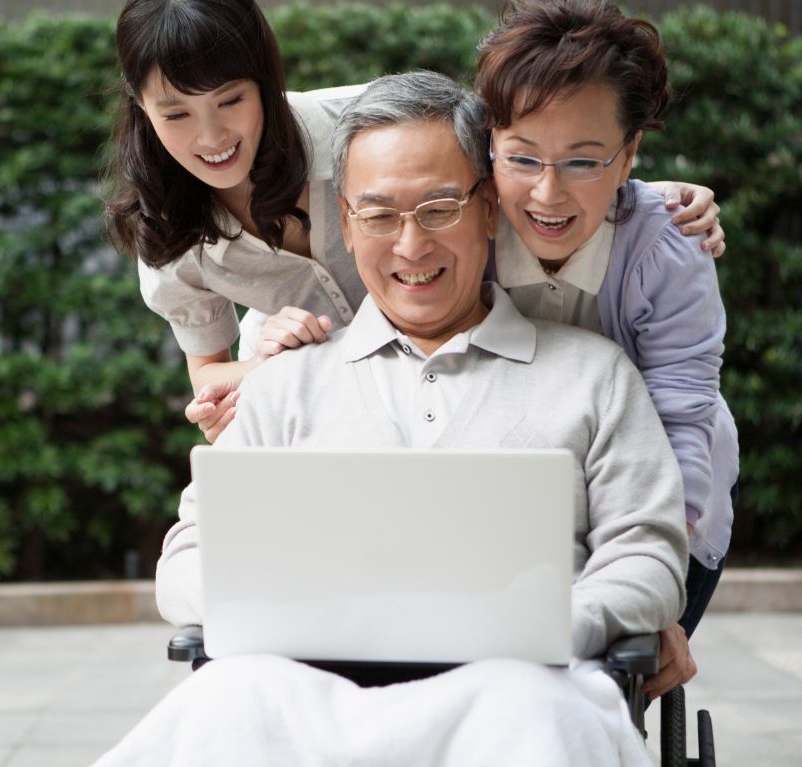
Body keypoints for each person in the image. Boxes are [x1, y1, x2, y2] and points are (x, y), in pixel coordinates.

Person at [95, 71, 686, 767]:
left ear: (491, 208)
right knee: (228, 699)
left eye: (439, 208)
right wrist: (285, 609)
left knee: (531, 709)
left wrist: (558, 621)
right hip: (306, 692)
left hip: (516, 688)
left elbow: (647, 553)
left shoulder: (592, 375)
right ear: (346, 223)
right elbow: (185, 558)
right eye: (378, 216)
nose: (410, 245)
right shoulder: (284, 386)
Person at [104, 0, 726, 442]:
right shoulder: (166, 229)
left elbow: (521, 141)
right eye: (175, 113)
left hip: (469, 384)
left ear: (266, 82)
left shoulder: (368, 126)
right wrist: (269, 376)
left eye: (231, 101)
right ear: (140, 105)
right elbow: (209, 376)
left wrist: (640, 199)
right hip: (336, 402)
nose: (211, 137)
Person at [473, 0, 739, 694]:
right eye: (522, 157)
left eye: (583, 161)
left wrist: (659, 589)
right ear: (488, 145)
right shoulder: (463, 228)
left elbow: (683, 420)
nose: (547, 192)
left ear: (629, 156)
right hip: (516, 510)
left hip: (666, 501)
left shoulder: (667, 251)